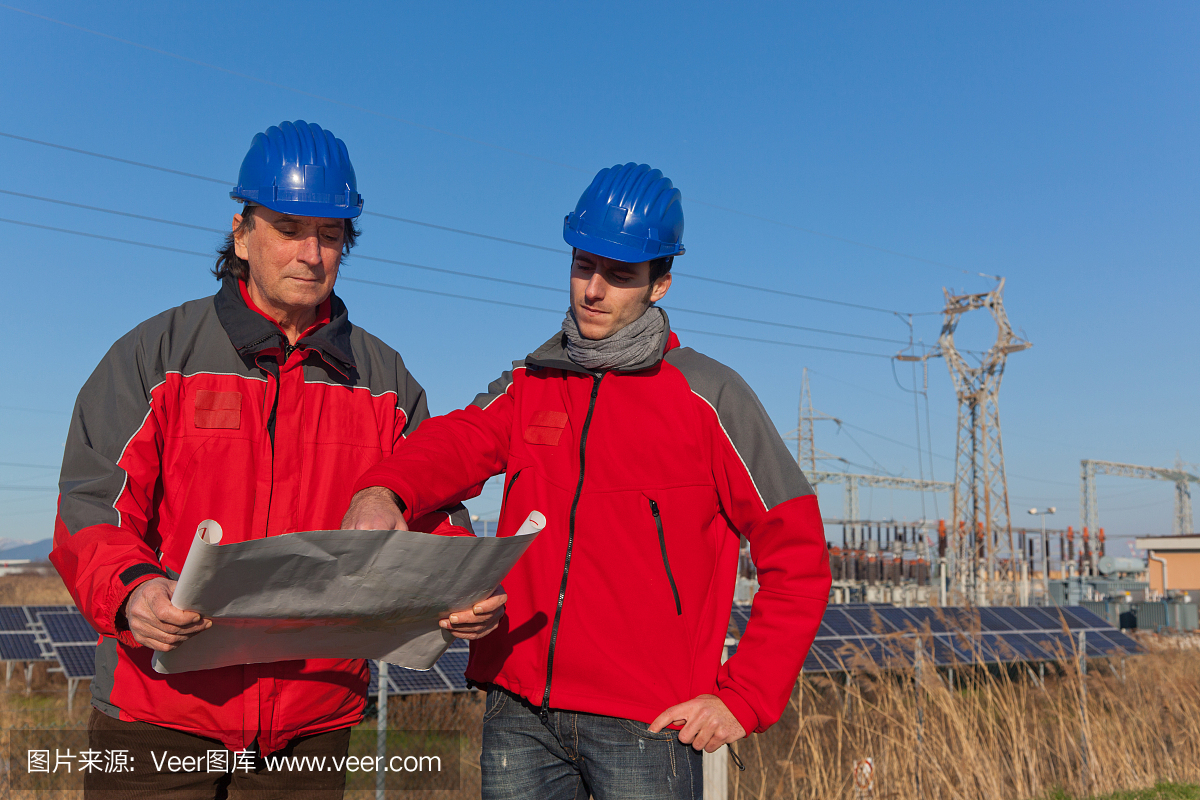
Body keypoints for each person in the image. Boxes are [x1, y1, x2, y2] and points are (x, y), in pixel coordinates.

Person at [342, 162, 832, 799]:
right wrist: (385, 490)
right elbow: (459, 439)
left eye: (620, 275)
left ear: (661, 284)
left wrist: (745, 698)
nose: (592, 291)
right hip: (518, 708)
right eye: (582, 266)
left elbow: (798, 554)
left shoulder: (709, 398)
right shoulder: (535, 382)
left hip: (647, 724)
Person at [49, 120, 504, 798]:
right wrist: (130, 591)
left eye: (330, 235)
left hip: (313, 721)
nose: (311, 254)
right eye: (289, 228)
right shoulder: (156, 356)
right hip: (161, 713)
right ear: (241, 231)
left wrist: (460, 586)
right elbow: (92, 503)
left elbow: (430, 512)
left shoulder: (384, 381)